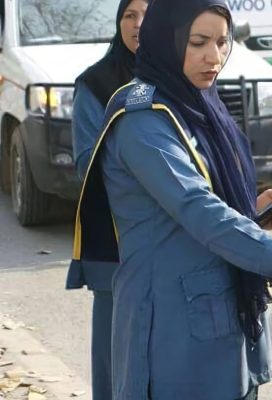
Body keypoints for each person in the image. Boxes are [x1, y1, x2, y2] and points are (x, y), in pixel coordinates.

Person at [69, 0, 272, 399]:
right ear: (166, 40)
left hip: (222, 310)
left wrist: (254, 212)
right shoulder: (142, 119)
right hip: (170, 322)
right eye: (198, 42)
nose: (214, 57)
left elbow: (209, 200)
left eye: (222, 42)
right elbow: (197, 208)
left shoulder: (198, 103)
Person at [66, 1, 148, 398]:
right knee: (114, 362)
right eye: (129, 15)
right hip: (115, 241)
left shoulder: (180, 79)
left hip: (172, 241)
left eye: (147, 14)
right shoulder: (96, 83)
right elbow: (87, 163)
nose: (137, 24)